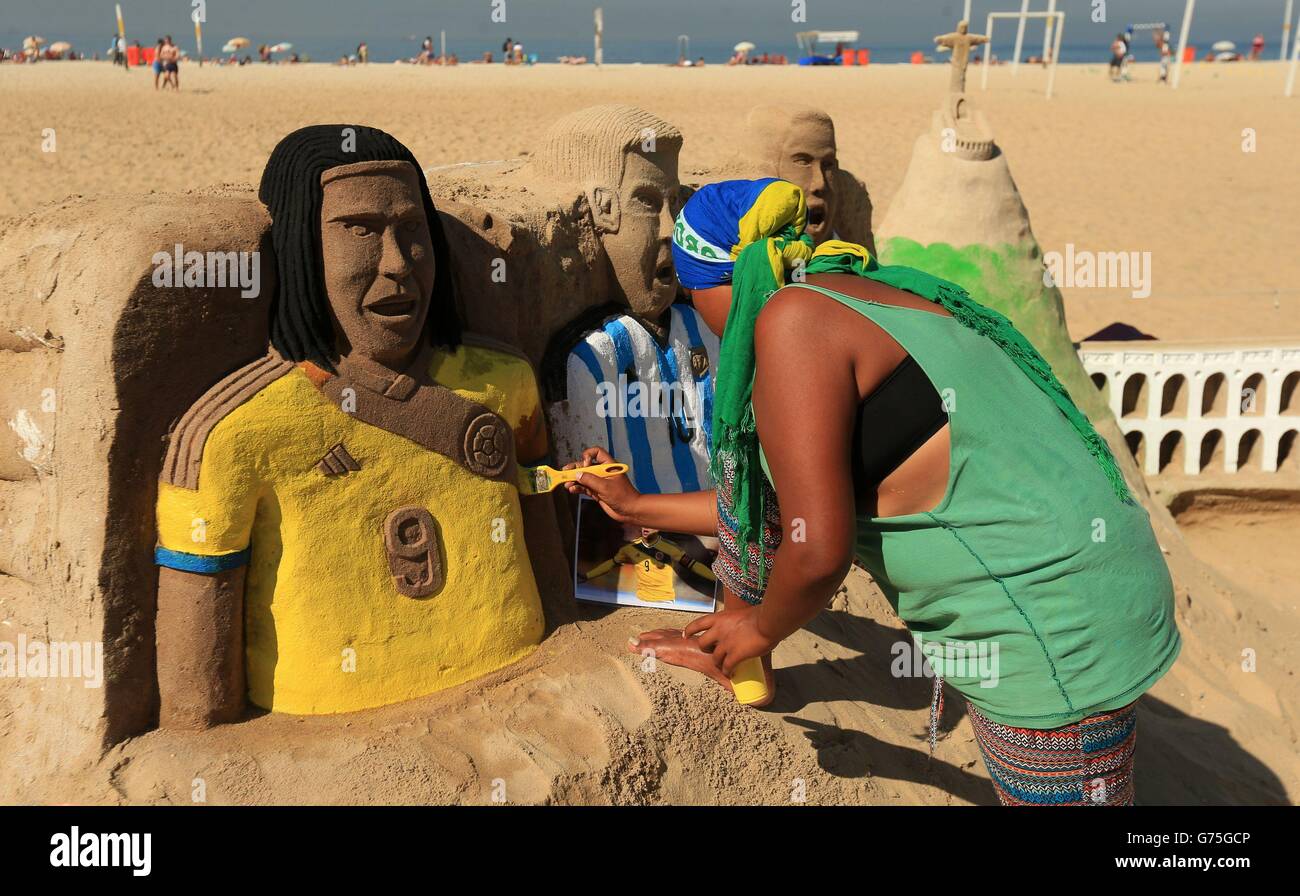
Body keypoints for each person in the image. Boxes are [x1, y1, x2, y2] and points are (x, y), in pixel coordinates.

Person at [566, 179, 1180, 806]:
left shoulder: (791, 324)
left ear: (729, 281)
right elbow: (779, 509)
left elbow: (819, 551)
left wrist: (753, 632)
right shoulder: (865, 289)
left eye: (695, 298)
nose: (704, 322)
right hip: (1097, 580)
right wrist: (636, 504)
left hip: (1047, 624)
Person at [153, 125, 552, 728]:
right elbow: (195, 700)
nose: (398, 266)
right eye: (361, 231)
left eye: (413, 231)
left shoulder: (506, 381)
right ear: (301, 247)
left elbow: (544, 529)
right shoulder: (233, 435)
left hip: (524, 685)